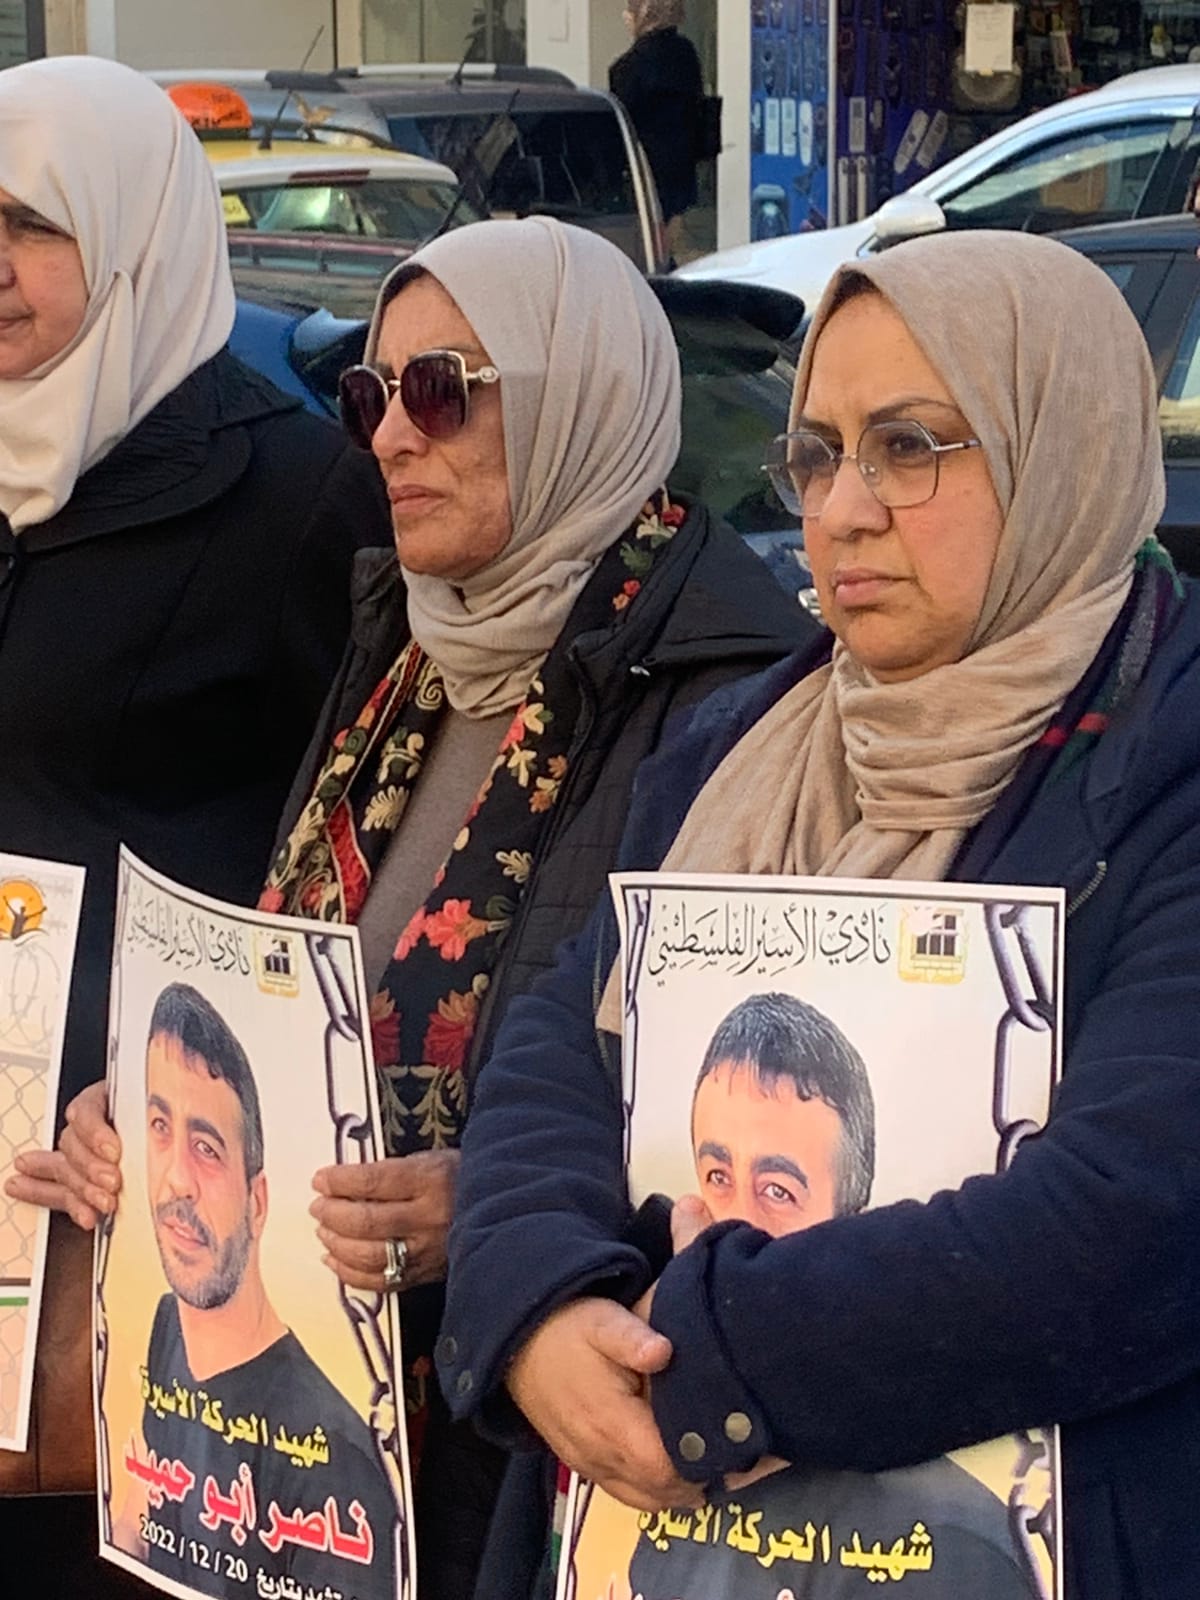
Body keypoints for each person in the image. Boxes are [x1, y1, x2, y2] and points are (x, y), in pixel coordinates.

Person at [45, 214, 817, 1597]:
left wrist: (496, 1209)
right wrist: (143, 1103)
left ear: (578, 400)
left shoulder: (734, 695)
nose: (391, 437)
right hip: (287, 1447)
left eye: (443, 390)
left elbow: (753, 1116)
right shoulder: (404, 651)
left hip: (509, 1462)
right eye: (370, 395)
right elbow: (288, 988)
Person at [438, 228, 1200, 1600]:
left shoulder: (1169, 754)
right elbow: (561, 1043)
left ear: (1058, 450)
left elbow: (1135, 1212)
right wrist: (539, 1308)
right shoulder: (746, 740)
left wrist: (704, 1358)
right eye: (818, 453)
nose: (843, 509)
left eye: (908, 446)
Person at [0, 54, 387, 1596]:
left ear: (133, 233)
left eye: (30, 226)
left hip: (131, 1188)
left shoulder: (289, 494)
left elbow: (346, 846)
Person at [627, 992, 1039, 1600]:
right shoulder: (656, 1483)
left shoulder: (949, 1542)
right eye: (717, 1177)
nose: (730, 1230)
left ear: (854, 1221)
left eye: (777, 1190)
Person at [118, 983, 398, 1600]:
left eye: (206, 1148)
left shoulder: (336, 1462)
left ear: (258, 1203)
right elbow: (139, 1527)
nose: (175, 1180)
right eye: (159, 1126)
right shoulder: (168, 1327)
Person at [609, 0, 705, 251]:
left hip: (646, 163)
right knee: (672, 226)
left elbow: (624, 120)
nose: (626, 18)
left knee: (649, 232)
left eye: (630, 11)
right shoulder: (686, 53)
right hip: (682, 157)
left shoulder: (628, 66)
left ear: (643, 16)